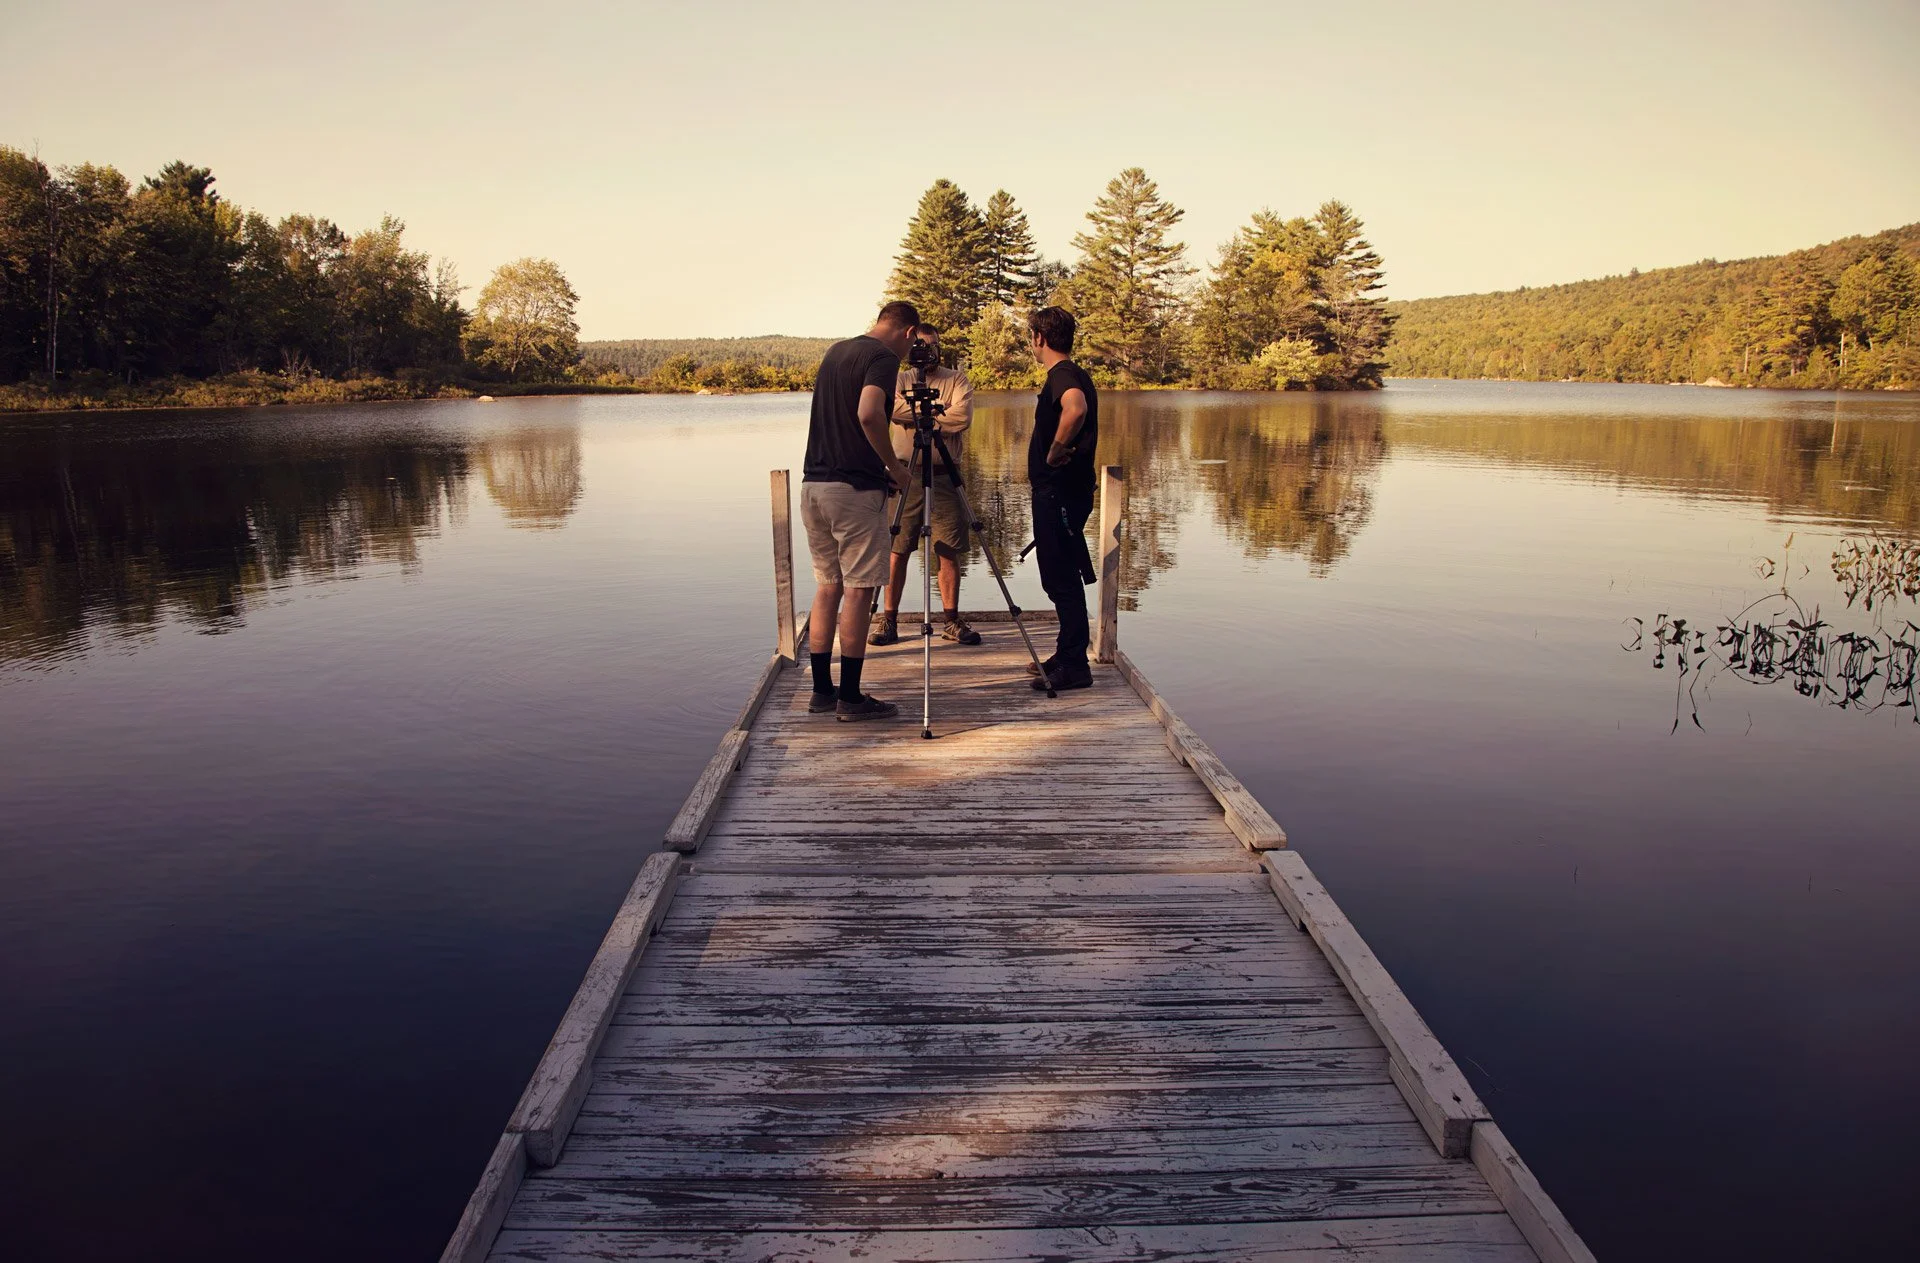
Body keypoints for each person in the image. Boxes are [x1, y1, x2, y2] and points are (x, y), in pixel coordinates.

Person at [801, 300, 917, 720]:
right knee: (858, 589)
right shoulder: (882, 357)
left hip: (814, 485)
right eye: (912, 345)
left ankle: (821, 693)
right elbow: (869, 414)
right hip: (853, 491)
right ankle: (850, 699)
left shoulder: (837, 351)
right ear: (907, 333)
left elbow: (843, 423)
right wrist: (895, 469)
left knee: (828, 586)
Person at [869, 324, 982, 648]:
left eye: (932, 345)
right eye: (920, 345)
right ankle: (888, 620)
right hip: (906, 474)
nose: (927, 351)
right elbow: (890, 410)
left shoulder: (956, 379)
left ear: (939, 346)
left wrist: (919, 415)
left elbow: (963, 418)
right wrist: (935, 412)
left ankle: (950, 620)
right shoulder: (900, 379)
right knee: (898, 548)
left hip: (945, 473)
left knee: (948, 548)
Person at [1025, 306, 1098, 691]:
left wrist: (1054, 450)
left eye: (1030, 337)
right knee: (1058, 574)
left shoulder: (1064, 376)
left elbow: (1076, 408)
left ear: (1040, 337)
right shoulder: (1070, 373)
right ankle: (1066, 651)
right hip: (1061, 493)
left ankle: (1074, 666)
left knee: (1062, 576)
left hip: (1060, 494)